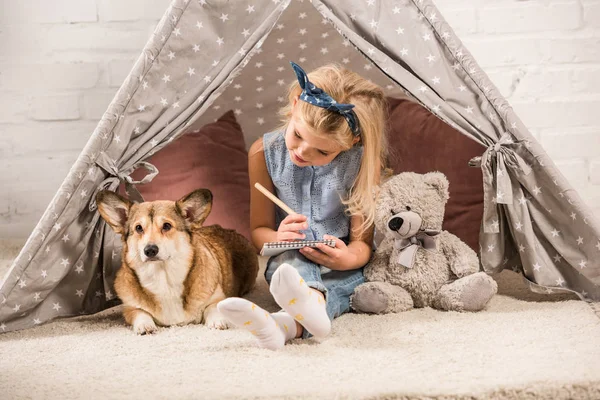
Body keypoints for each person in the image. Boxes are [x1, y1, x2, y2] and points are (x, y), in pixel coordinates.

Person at [217, 61, 388, 350]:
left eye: (322, 151)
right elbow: (259, 233)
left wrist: (346, 258)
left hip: (342, 265)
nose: (301, 151)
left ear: (351, 142)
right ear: (295, 104)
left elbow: (362, 246)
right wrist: (278, 238)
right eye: (297, 135)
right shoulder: (263, 152)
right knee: (290, 267)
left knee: (354, 282)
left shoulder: (361, 163)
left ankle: (283, 326)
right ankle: (314, 312)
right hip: (291, 261)